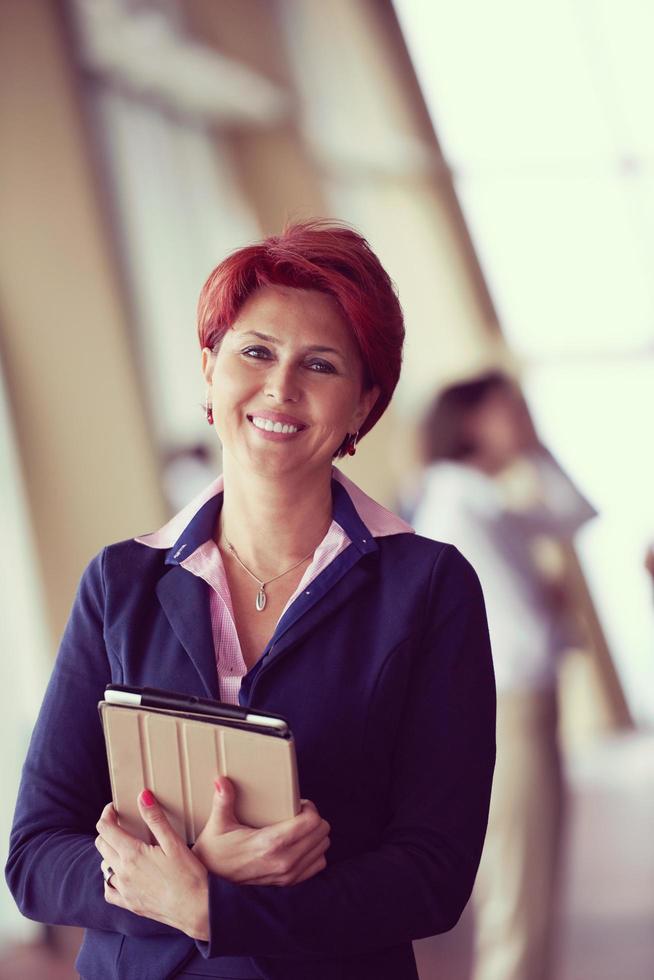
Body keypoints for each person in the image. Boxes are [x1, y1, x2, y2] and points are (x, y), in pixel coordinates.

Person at [6, 221, 495, 980]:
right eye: (256, 351)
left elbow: (434, 875)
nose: (280, 388)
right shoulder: (119, 584)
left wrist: (213, 907)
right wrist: (188, 875)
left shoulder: (428, 587)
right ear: (208, 370)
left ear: (364, 404)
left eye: (321, 365)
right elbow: (36, 857)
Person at [412, 373, 597, 980]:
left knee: (532, 880)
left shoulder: (480, 496)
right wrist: (550, 615)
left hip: (525, 703)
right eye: (508, 410)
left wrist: (536, 447)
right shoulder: (460, 500)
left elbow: (575, 514)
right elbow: (513, 629)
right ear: (469, 423)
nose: (522, 418)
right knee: (520, 887)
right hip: (510, 706)